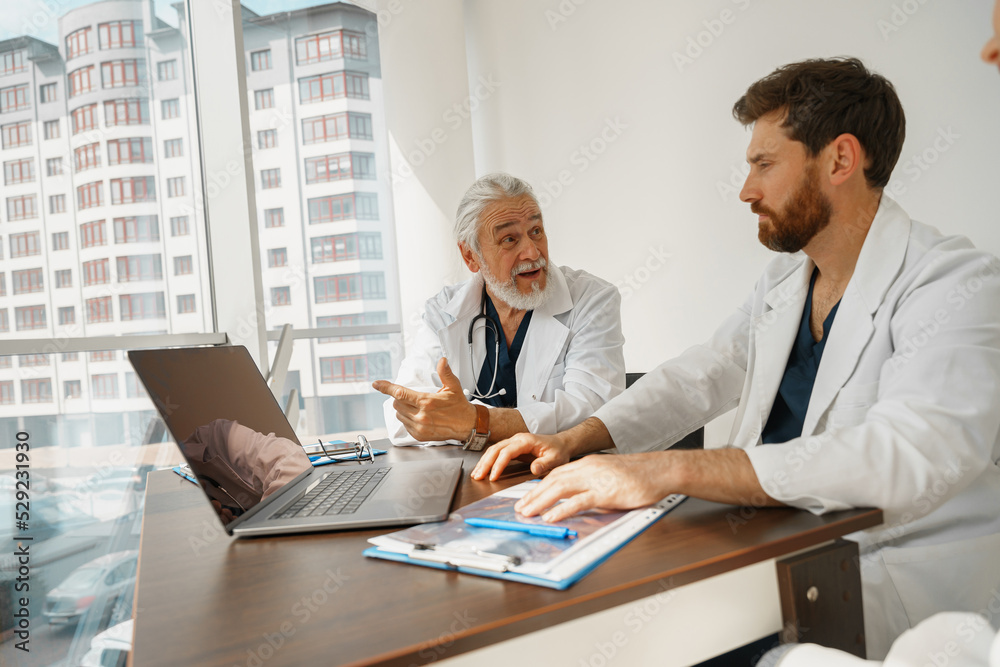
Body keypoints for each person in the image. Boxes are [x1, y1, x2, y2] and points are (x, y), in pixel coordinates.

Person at [473, 58, 1000, 659]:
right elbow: (706, 371)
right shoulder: (786, 279)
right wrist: (580, 438)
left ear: (840, 160)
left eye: (764, 165)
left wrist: (667, 470)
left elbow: (909, 454)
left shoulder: (953, 283)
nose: (747, 190)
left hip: (887, 578)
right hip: (767, 549)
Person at [372, 173, 626, 448]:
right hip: (473, 477)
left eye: (536, 231)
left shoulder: (592, 299)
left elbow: (595, 415)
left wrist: (474, 421)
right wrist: (467, 425)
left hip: (564, 473)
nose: (532, 252)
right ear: (471, 256)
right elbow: (405, 417)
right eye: (509, 239)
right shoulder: (444, 311)